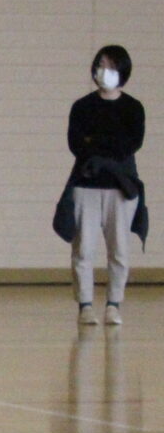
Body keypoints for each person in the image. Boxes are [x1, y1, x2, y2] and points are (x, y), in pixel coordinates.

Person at [60, 45, 145, 326]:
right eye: (100, 65)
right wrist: (101, 145)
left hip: (121, 188)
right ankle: (85, 304)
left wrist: (97, 143)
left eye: (110, 67)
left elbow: (130, 144)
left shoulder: (133, 108)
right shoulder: (82, 107)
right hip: (86, 185)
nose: (103, 72)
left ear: (122, 72)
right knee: (83, 249)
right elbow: (77, 144)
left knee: (119, 249)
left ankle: (113, 304)